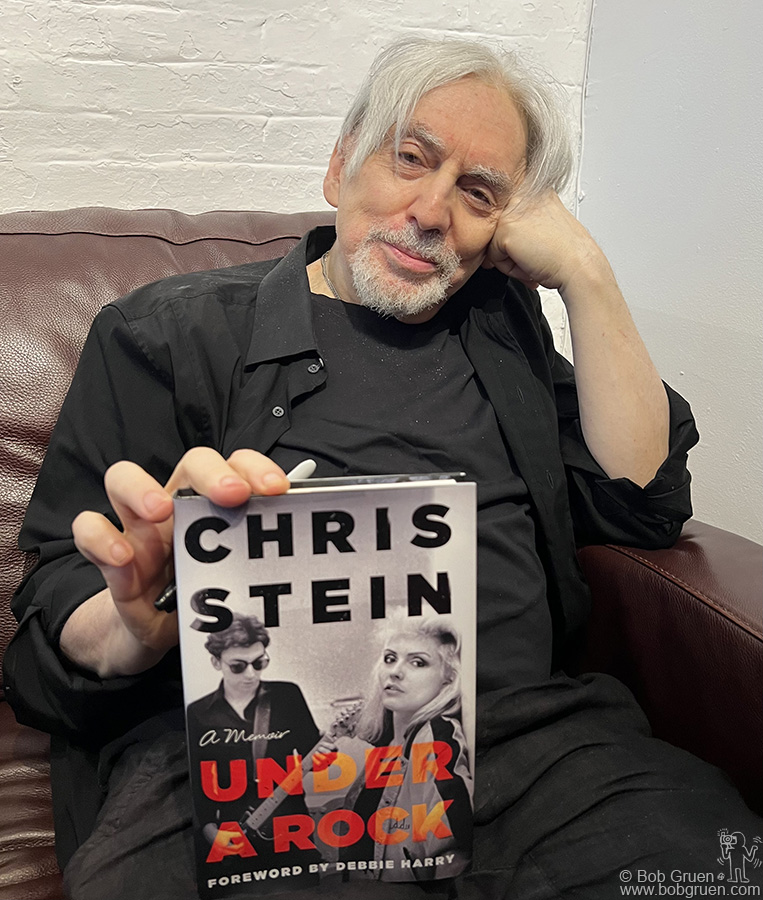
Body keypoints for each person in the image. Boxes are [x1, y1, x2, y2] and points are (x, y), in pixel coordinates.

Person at [4, 35, 761, 900]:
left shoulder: (498, 329)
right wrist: (132, 624)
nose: (433, 210)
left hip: (527, 745)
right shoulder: (169, 333)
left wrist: (586, 276)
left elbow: (642, 505)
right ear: (339, 167)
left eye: (478, 191)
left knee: (717, 871)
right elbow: (50, 619)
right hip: (252, 769)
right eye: (411, 157)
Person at [184, 613, 321, 866]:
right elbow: (197, 783)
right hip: (230, 837)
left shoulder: (287, 696)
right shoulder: (198, 713)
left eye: (259, 663)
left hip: (289, 833)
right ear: (216, 662)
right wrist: (208, 831)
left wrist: (327, 756)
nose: (250, 674)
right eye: (238, 666)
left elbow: (314, 756)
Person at [343, 615, 473, 882]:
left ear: (448, 678)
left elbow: (454, 858)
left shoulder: (434, 737)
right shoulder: (389, 745)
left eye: (418, 662)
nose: (395, 671)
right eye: (390, 658)